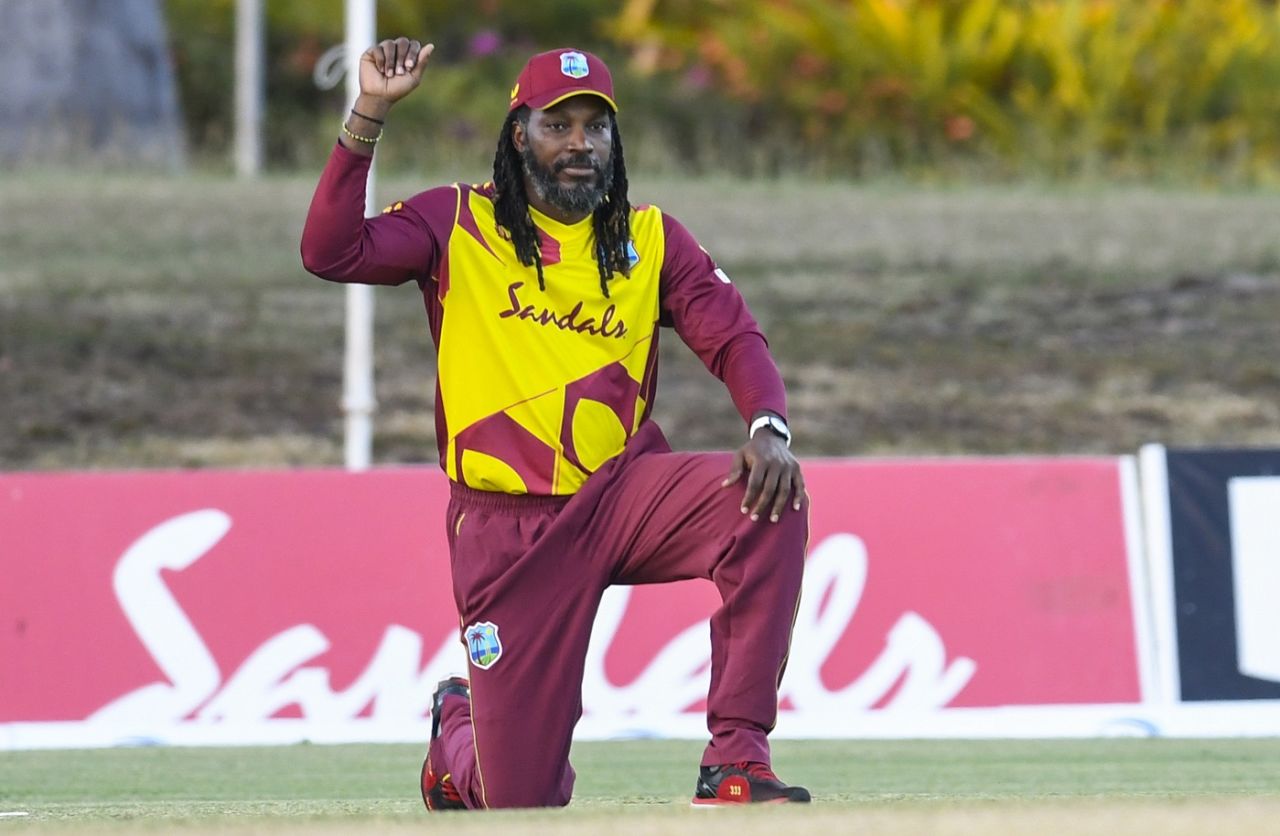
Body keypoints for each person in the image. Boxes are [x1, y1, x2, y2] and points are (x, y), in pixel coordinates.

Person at [301, 37, 810, 810]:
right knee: (521, 804)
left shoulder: (651, 240)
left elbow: (734, 336)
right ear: (518, 134)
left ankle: (736, 758)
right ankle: (456, 732)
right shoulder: (456, 221)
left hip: (620, 496)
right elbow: (329, 252)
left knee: (769, 498)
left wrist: (769, 424)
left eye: (595, 128)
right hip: (507, 531)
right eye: (557, 125)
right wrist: (370, 110)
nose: (579, 145)